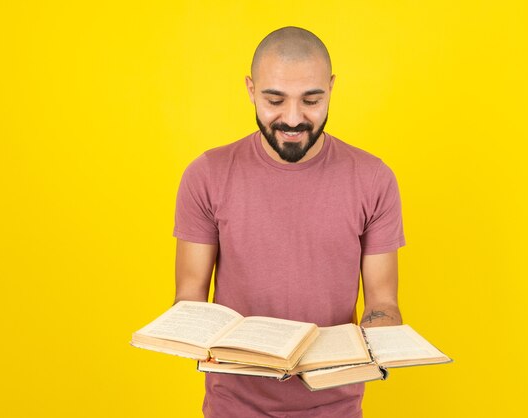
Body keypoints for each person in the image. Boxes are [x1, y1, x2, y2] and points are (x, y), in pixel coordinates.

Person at [173, 26, 406, 418]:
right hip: (233, 408)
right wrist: (196, 336)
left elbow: (382, 302)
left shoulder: (374, 179)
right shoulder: (207, 175)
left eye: (311, 100)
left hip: (336, 407)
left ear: (331, 89)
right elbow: (189, 296)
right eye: (274, 100)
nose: (293, 119)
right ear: (250, 90)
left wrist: (381, 339)